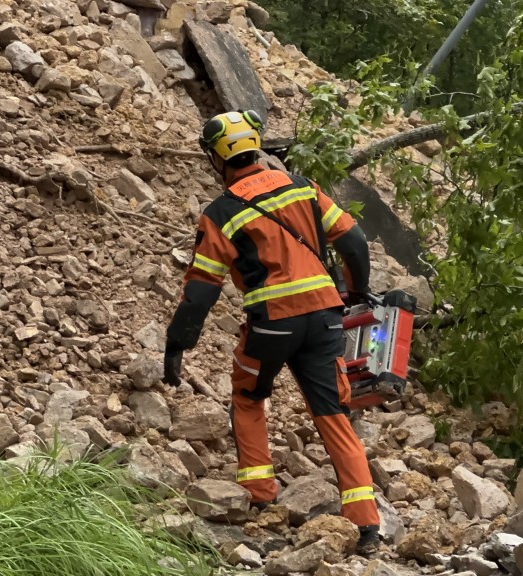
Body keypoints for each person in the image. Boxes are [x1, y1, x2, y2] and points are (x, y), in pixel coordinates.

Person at [162, 110, 382, 555]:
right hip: (324, 319)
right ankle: (365, 523)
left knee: (249, 396)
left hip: (271, 323)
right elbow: (354, 242)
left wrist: (176, 346)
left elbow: (201, 293)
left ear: (218, 159)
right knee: (331, 412)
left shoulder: (221, 213)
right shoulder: (301, 187)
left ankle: (261, 496)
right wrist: (356, 292)